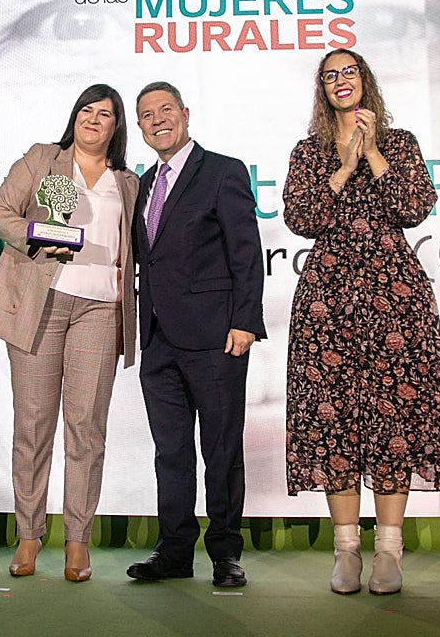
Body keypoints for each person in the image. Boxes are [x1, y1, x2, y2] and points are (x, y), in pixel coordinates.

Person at [283, 49, 440, 595]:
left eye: (350, 71)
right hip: (327, 298)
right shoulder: (310, 151)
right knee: (333, 419)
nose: (341, 81)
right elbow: (300, 217)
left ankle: (389, 551)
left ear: (366, 81)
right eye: (331, 75)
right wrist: (342, 165)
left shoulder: (401, 143)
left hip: (394, 295)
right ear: (323, 88)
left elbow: (414, 207)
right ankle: (346, 553)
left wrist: (374, 154)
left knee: (393, 421)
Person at [0, 84, 139, 582]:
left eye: (104, 114)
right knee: (33, 425)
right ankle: (29, 536)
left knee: (86, 429)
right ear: (74, 118)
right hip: (41, 302)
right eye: (86, 111)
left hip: (102, 308)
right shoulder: (44, 159)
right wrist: (40, 234)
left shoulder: (128, 182)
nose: (93, 119)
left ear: (116, 126)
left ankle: (77, 541)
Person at [125, 81, 266, 589]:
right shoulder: (141, 184)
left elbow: (246, 252)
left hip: (216, 336)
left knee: (222, 449)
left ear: (186, 114)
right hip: (158, 338)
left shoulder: (223, 171)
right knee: (171, 452)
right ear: (139, 127)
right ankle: (174, 549)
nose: (157, 119)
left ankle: (226, 553)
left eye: (166, 109)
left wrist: (246, 320)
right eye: (146, 114)